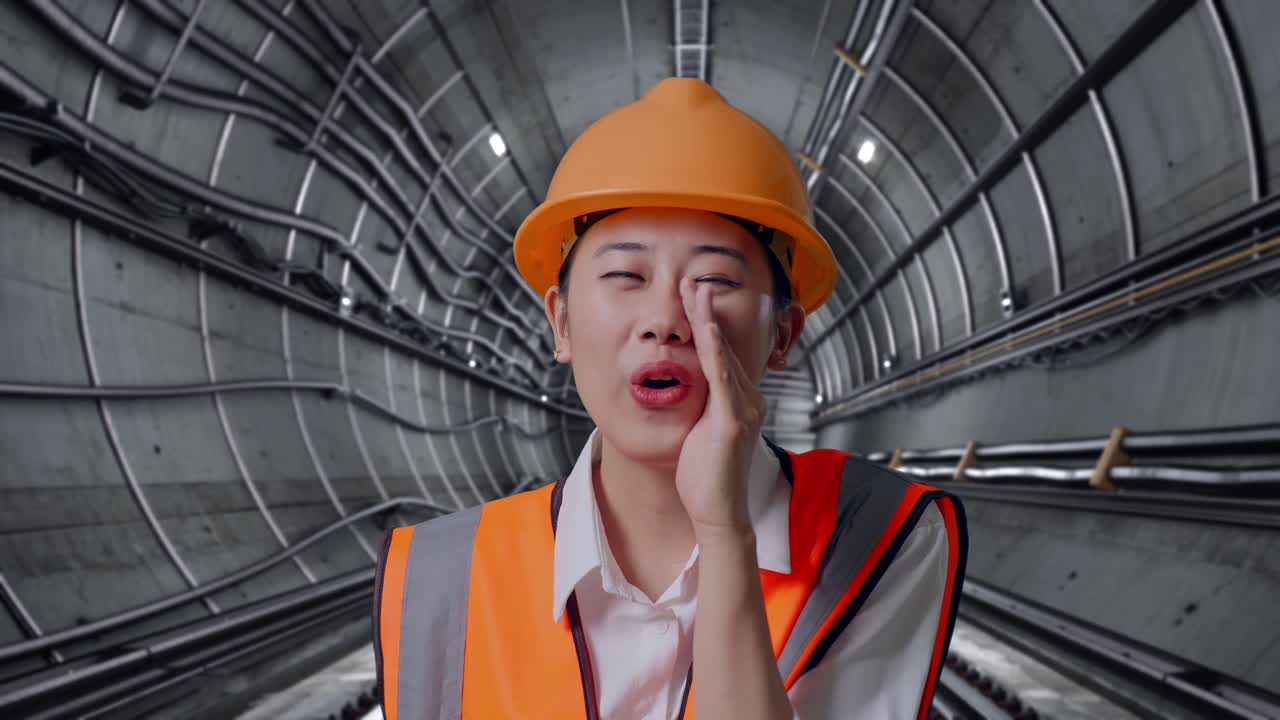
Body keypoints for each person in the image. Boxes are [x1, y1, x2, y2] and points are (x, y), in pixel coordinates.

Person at [373, 77, 966, 719]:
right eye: (625, 276)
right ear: (562, 323)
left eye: (714, 280)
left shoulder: (880, 536)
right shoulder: (438, 576)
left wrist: (725, 534)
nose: (667, 319)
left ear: (782, 334)